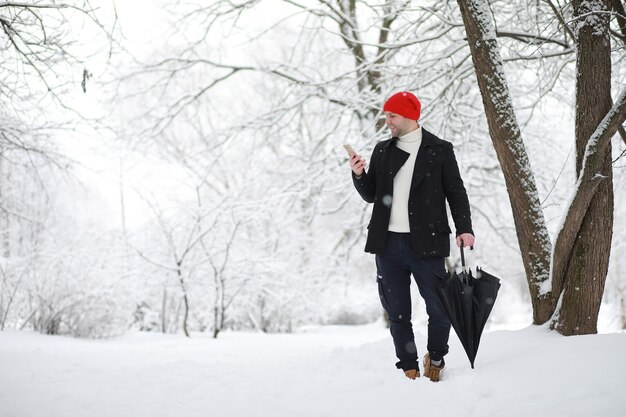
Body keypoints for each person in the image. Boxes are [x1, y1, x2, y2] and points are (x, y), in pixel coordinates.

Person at [349, 91, 475, 382]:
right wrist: (359, 175)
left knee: (440, 308)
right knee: (398, 313)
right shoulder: (383, 150)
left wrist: (464, 228)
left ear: (408, 115)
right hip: (387, 244)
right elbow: (372, 195)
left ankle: (437, 356)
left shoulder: (440, 150)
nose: (387, 121)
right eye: (385, 115)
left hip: (427, 243)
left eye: (391, 115)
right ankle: (408, 367)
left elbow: (456, 192)